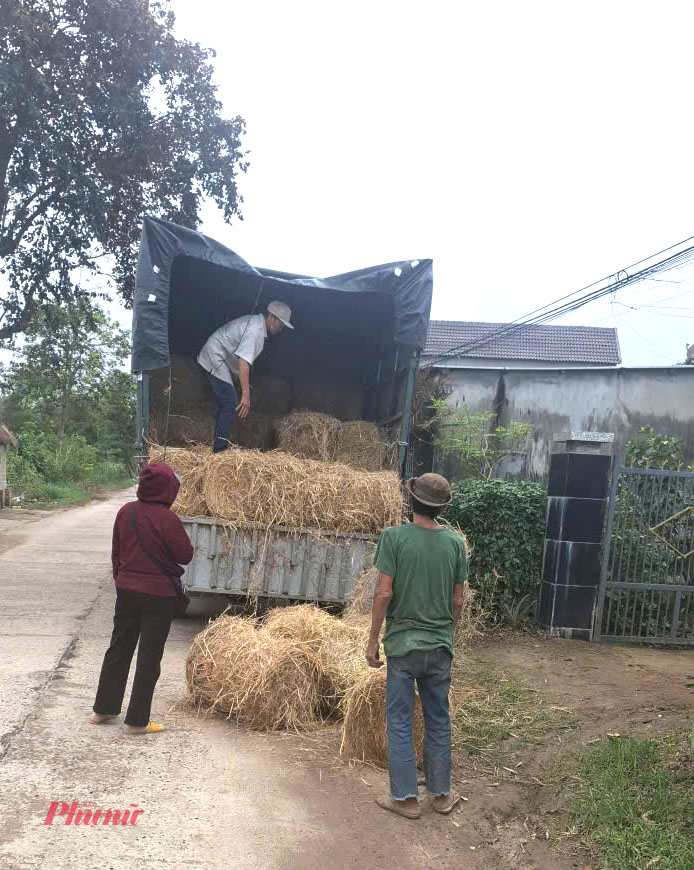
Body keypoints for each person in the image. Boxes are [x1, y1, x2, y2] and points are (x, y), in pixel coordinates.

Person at [366, 473, 467, 820]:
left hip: (402, 646)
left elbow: (384, 592)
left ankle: (406, 799)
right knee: (438, 718)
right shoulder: (455, 544)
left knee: (399, 719)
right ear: (442, 508)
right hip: (439, 646)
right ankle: (441, 796)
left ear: (411, 501)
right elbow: (458, 600)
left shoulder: (393, 538)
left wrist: (372, 639)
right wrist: (447, 632)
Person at [90, 462, 193, 734]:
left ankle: (103, 710)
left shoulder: (126, 512)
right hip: (158, 595)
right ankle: (137, 722)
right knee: (149, 657)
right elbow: (185, 555)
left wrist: (121, 580)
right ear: (168, 489)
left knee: (118, 648)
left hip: (126, 590)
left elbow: (116, 552)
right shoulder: (168, 519)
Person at [197, 300, 294, 453]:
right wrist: (246, 394)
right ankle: (219, 450)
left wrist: (245, 384)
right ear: (272, 317)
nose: (281, 328)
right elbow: (243, 361)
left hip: (219, 357)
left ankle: (218, 443)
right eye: (281, 324)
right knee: (230, 402)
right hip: (215, 356)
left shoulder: (258, 326)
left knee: (226, 401)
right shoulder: (255, 330)